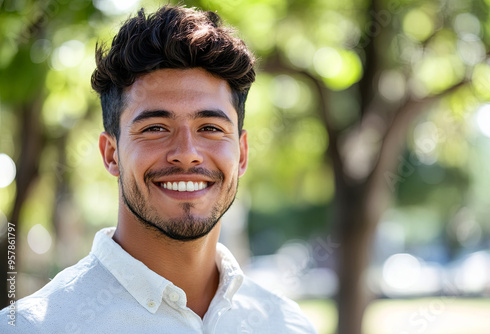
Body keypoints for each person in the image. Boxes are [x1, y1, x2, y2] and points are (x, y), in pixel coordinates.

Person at [0, 5, 317, 333]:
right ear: (111, 154)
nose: (186, 154)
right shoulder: (30, 327)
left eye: (210, 127)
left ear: (242, 154)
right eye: (155, 128)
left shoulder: (289, 325)